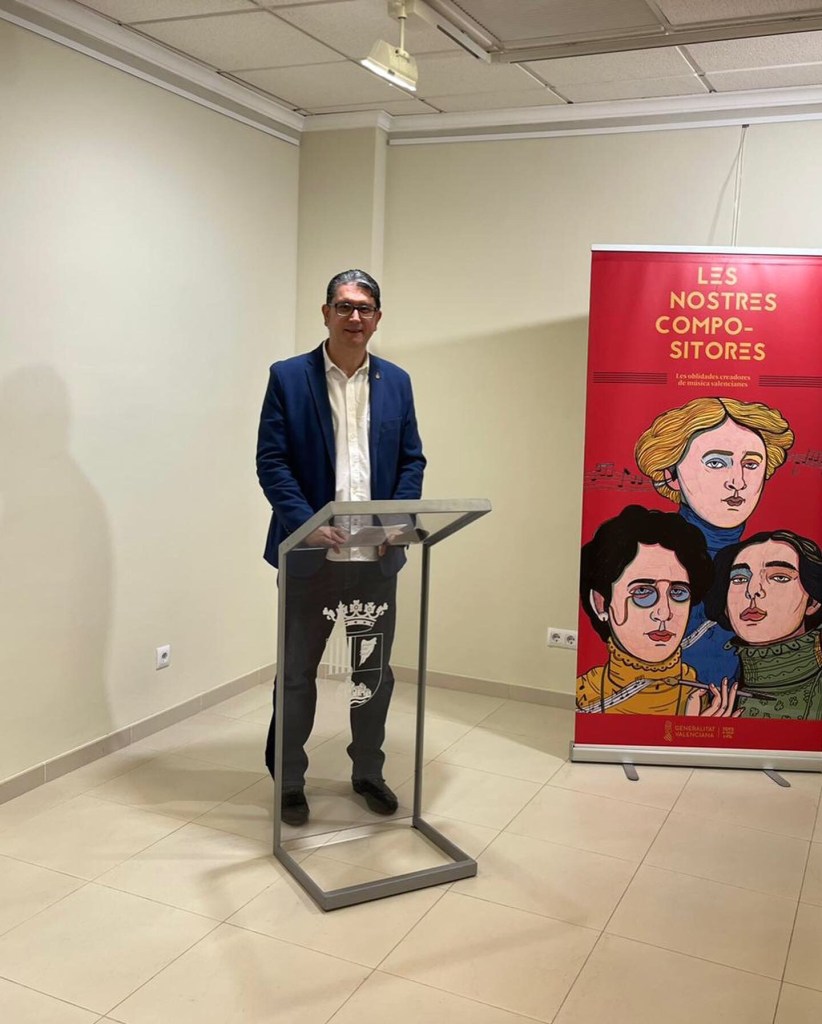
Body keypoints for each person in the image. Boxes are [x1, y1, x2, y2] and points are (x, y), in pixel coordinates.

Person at [256, 269, 425, 825]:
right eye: (345, 306)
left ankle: (368, 772)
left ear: (378, 318)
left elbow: (411, 461)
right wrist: (306, 524)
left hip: (376, 561)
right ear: (326, 312)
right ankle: (289, 780)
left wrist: (394, 524)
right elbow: (273, 462)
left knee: (372, 675)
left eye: (365, 308)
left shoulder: (397, 382)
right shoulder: (288, 377)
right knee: (297, 674)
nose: (355, 317)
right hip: (310, 558)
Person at [634, 397, 793, 686]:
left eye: (751, 464)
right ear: (671, 475)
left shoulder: (776, 563)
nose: (738, 481)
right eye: (716, 462)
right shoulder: (646, 559)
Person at [577, 505, 737, 716]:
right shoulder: (584, 697)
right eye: (642, 592)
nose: (664, 613)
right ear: (600, 603)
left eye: (678, 592)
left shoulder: (703, 698)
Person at [704, 530, 822, 719]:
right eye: (739, 578)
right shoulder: (714, 695)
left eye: (779, 577)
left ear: (813, 602)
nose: (752, 590)